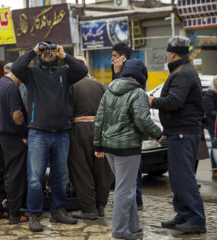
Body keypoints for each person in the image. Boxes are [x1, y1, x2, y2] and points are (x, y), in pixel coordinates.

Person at [11, 41, 88, 232]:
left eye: (50, 50)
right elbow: (16, 67)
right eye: (44, 51)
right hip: (38, 133)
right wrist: (35, 49)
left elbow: (82, 70)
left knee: (61, 175)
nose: (47, 53)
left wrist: (63, 54)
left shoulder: (65, 73)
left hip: (62, 132)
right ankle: (34, 214)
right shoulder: (32, 74)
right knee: (35, 177)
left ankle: (58, 210)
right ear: (39, 55)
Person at [94, 59, 162, 240]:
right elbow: (143, 120)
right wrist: (158, 134)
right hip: (127, 148)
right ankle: (119, 230)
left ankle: (133, 225)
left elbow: (99, 117)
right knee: (125, 190)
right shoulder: (138, 92)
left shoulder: (110, 89)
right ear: (140, 76)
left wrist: (98, 144)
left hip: (108, 146)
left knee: (127, 186)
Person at [149, 36, 206, 234]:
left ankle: (196, 220)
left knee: (184, 177)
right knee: (177, 177)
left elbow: (174, 101)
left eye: (167, 52)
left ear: (172, 52)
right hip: (178, 132)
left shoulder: (183, 73)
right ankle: (183, 214)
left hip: (183, 132)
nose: (166, 55)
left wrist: (152, 101)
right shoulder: (182, 71)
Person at [68, 55, 113, 220]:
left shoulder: (71, 86)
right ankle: (100, 206)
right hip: (101, 130)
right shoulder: (100, 85)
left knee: (81, 170)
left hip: (79, 130)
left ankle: (89, 209)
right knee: (102, 169)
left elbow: (68, 113)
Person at [0, 69, 28, 225]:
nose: (20, 83)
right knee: (14, 176)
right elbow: (17, 114)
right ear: (17, 76)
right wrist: (24, 133)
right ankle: (15, 214)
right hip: (12, 139)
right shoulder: (11, 87)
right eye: (21, 81)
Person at [111, 42, 145, 210]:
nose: (112, 60)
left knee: (133, 172)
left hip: (130, 133)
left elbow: (121, 95)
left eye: (114, 56)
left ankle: (135, 201)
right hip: (119, 132)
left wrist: (118, 74)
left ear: (123, 58)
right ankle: (130, 201)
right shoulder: (118, 72)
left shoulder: (133, 73)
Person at [203, 74, 217, 179]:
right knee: (214, 146)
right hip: (212, 124)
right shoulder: (209, 95)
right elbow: (209, 112)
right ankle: (215, 170)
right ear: (215, 84)